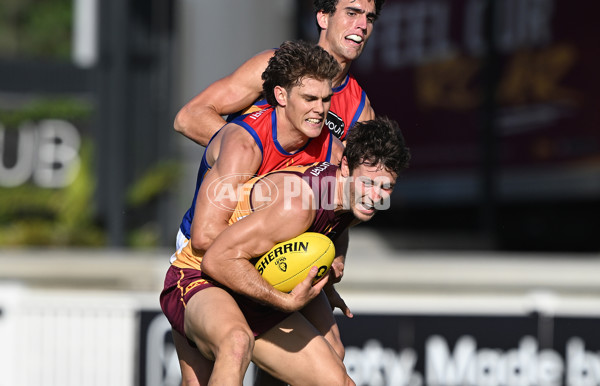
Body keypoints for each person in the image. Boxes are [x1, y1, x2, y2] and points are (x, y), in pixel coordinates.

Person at [161, 116, 411, 385]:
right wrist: (284, 302)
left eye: (386, 187)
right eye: (369, 184)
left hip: (251, 281)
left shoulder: (350, 200)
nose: (375, 197)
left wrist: (329, 278)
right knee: (236, 343)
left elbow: (335, 230)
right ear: (347, 166)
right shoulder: (298, 206)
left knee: (338, 378)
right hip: (199, 278)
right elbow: (216, 260)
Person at [174, 0, 386, 146]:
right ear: (323, 18)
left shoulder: (360, 111)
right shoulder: (274, 66)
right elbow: (190, 117)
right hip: (227, 208)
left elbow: (349, 188)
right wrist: (251, 155)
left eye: (369, 18)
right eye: (351, 13)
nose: (362, 25)